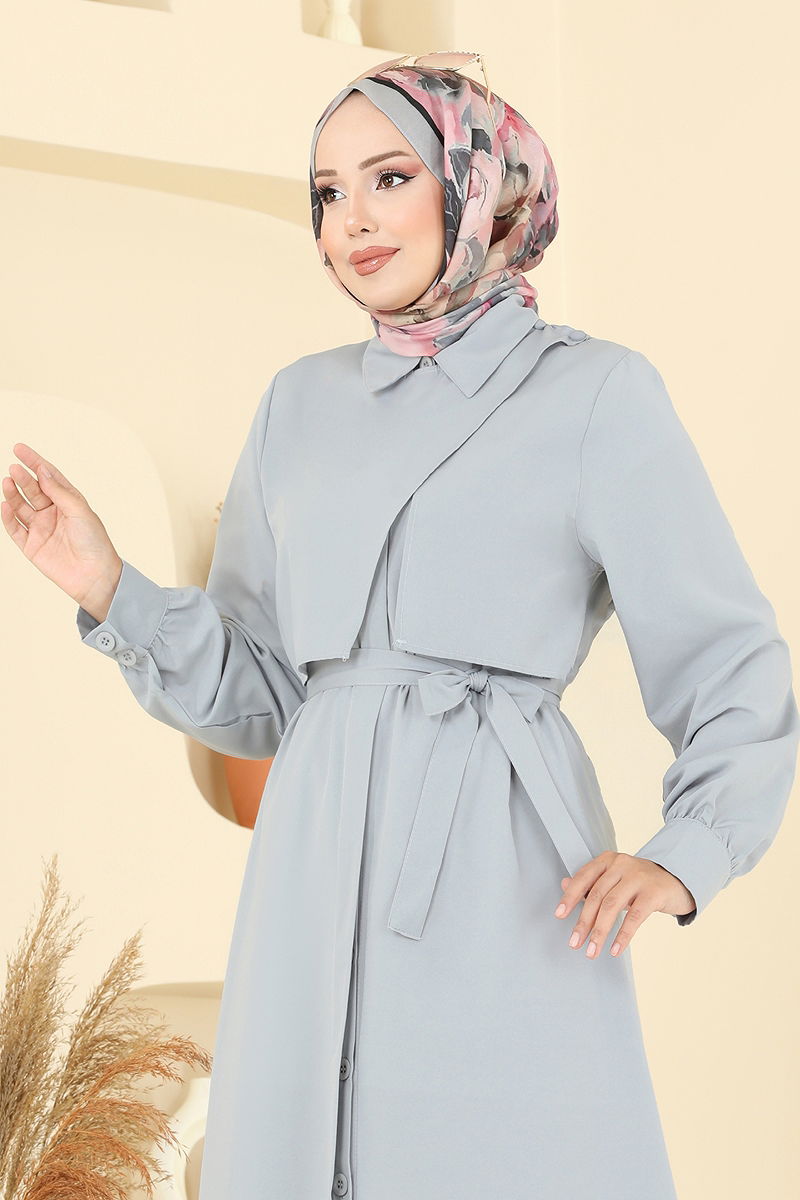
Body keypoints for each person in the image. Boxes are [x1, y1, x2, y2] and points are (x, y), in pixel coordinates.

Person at [3, 55, 798, 1200]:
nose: (352, 220)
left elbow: (726, 655)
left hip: (498, 862)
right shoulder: (298, 403)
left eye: (388, 177)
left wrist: (688, 853)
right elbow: (265, 695)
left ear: (476, 186)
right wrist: (108, 586)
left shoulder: (593, 393)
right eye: (327, 192)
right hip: (310, 858)